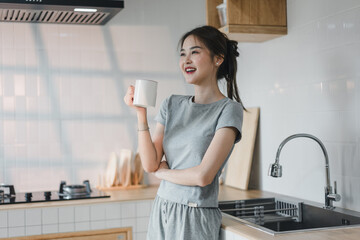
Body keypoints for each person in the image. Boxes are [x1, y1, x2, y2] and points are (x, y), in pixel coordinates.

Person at [124, 25, 244, 240]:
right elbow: (150, 164)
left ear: (218, 59)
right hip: (162, 207)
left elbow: (202, 176)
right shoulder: (171, 104)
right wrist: (140, 114)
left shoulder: (228, 110)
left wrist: (162, 174)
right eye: (182, 54)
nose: (186, 60)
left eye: (195, 52)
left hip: (194, 214)